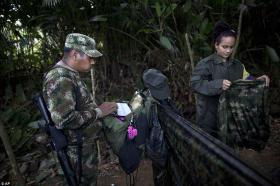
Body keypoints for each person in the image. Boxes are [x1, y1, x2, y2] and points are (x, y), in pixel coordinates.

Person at [43, 33, 117, 185]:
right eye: (90, 57)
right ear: (75, 54)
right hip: (75, 153)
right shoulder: (60, 78)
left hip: (83, 148)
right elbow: (64, 119)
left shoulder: (70, 74)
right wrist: (98, 112)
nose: (93, 61)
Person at [190, 21, 270, 138]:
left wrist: (259, 80)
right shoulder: (206, 64)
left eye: (231, 47)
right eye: (224, 47)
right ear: (216, 45)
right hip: (208, 119)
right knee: (209, 149)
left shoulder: (237, 65)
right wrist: (218, 84)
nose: (228, 51)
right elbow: (195, 83)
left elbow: (247, 80)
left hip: (230, 120)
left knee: (227, 149)